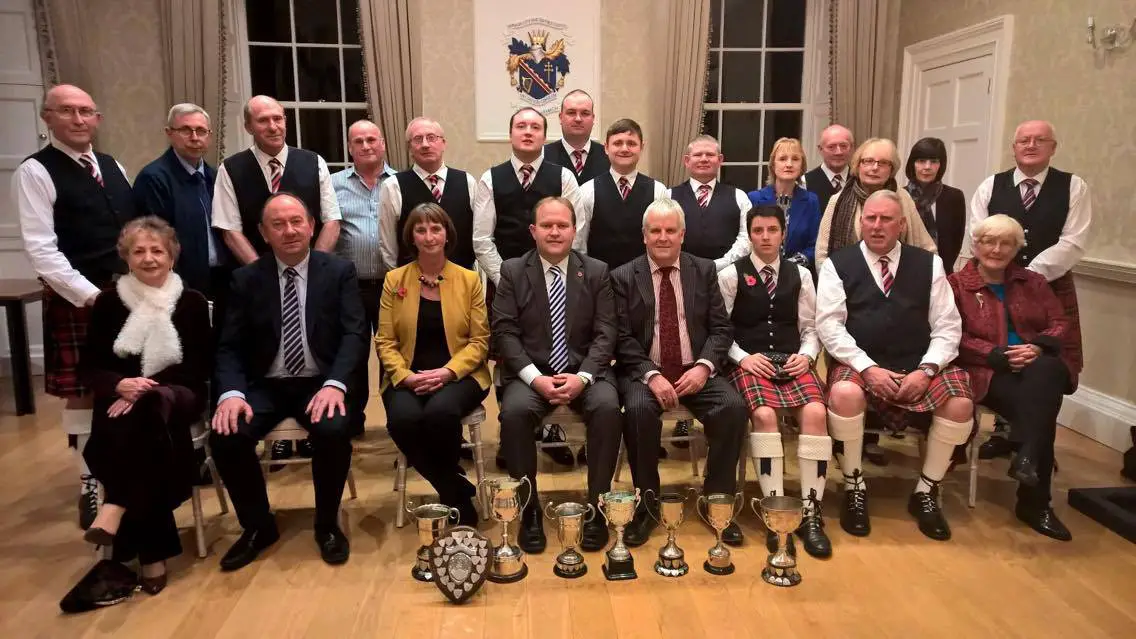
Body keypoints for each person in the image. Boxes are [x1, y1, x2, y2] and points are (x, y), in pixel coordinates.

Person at [209, 193, 366, 570]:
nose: (290, 230)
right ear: (263, 233)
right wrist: (230, 393)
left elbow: (355, 335)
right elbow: (227, 346)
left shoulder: (338, 272)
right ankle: (258, 526)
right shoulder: (245, 280)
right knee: (227, 436)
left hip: (320, 381)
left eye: (297, 221)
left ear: (312, 226)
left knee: (333, 428)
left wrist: (335, 385)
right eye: (278, 224)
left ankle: (327, 524)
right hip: (265, 384)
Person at [816, 190, 974, 541]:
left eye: (886, 219)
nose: (876, 226)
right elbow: (829, 326)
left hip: (918, 362)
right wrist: (867, 368)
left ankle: (926, 490)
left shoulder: (929, 263)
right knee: (842, 393)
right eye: (870, 218)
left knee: (961, 403)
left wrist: (928, 369)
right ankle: (854, 485)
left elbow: (948, 325)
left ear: (901, 225)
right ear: (860, 222)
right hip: (861, 362)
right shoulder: (837, 264)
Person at [13, 84, 136, 529]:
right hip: (81, 298)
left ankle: (130, 473)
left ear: (97, 119)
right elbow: (42, 250)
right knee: (85, 390)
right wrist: (91, 296)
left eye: (87, 111)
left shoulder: (112, 166)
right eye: (67, 111)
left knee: (128, 386)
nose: (79, 120)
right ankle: (90, 482)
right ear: (47, 118)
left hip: (128, 293)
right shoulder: (35, 172)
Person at [78, 217, 211, 598]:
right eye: (139, 251)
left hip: (176, 394)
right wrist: (120, 384)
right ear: (126, 257)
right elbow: (89, 366)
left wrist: (148, 388)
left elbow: (198, 367)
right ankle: (154, 554)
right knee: (139, 434)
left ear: (172, 256)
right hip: (122, 403)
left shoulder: (191, 302)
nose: (149, 258)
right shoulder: (108, 302)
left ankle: (115, 507)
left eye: (158, 250)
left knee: (142, 417)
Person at [612, 198, 748, 548]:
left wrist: (704, 367)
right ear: (644, 236)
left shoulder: (702, 271)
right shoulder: (624, 276)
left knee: (732, 408)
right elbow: (621, 338)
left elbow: (721, 329)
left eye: (670, 230)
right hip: (646, 371)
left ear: (682, 235)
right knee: (640, 411)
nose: (662, 237)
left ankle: (716, 501)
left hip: (695, 370)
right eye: (655, 230)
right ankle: (647, 504)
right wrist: (650, 375)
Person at [494, 196, 622, 554]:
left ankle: (598, 508)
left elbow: (605, 333)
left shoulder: (596, 271)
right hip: (532, 375)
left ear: (574, 230)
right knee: (515, 413)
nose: (555, 231)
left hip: (585, 373)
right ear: (533, 231)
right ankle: (529, 509)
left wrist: (582, 377)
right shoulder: (513, 271)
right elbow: (504, 332)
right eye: (547, 225)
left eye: (562, 225)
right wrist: (535, 378)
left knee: (608, 409)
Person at [964, 120, 1089, 461]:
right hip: (993, 281)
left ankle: (1025, 442)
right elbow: (978, 232)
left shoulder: (1073, 187)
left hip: (1049, 284)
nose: (1031, 145)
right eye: (1024, 140)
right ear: (1014, 147)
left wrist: (1025, 276)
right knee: (1012, 359)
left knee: (1048, 363)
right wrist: (1002, 269)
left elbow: (1073, 241)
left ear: (1053, 147)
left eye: (1039, 140)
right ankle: (1023, 444)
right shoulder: (992, 185)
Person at [949, 215, 1074, 540]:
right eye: (989, 241)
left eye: (1006, 243)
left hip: (1035, 370)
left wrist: (1035, 347)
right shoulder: (956, 285)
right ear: (976, 245)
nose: (997, 249)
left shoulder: (1033, 283)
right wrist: (995, 354)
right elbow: (952, 335)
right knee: (1044, 404)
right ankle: (1034, 501)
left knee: (1047, 371)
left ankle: (1028, 455)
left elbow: (1060, 323)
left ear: (1017, 248)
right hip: (988, 372)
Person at [719, 205, 831, 558]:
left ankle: (811, 512)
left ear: (783, 234)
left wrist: (808, 356)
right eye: (758, 231)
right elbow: (720, 330)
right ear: (749, 235)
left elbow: (811, 327)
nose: (765, 237)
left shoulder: (801, 274)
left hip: (793, 361)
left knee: (816, 413)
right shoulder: (730, 275)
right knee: (765, 416)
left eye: (772, 230)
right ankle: (775, 510)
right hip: (750, 364)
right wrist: (743, 358)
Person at [474, 106, 581, 466]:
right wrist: (509, 279)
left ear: (544, 135)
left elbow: (574, 235)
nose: (528, 132)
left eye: (536, 126)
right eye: (521, 125)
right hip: (504, 280)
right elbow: (481, 239)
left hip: (557, 280)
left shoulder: (563, 176)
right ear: (511, 134)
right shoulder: (491, 178)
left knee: (554, 349)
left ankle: (553, 431)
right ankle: (513, 435)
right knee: (511, 355)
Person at [377, 203, 490, 526]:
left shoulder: (468, 280)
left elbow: (480, 341)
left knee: (441, 413)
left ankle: (453, 496)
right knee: (403, 419)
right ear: (411, 237)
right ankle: (454, 488)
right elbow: (385, 341)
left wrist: (447, 372)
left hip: (460, 375)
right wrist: (405, 377)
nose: (429, 236)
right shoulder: (394, 280)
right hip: (407, 375)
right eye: (421, 229)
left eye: (436, 228)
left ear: (447, 234)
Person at [212, 95, 342, 262]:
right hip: (256, 278)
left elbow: (332, 222)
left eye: (277, 119)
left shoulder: (314, 162)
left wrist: (315, 271)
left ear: (285, 121)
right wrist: (262, 275)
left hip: (311, 273)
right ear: (248, 127)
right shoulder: (230, 169)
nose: (273, 127)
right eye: (263, 121)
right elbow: (230, 231)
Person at [332, 119, 396, 439]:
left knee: (393, 354)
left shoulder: (400, 183)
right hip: (351, 287)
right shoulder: (332, 184)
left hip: (392, 285)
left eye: (372, 139)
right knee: (353, 353)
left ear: (383, 143)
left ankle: (397, 420)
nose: (366, 145)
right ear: (349, 147)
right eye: (359, 141)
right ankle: (352, 420)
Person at [134, 104, 231, 303]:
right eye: (186, 130)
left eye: (201, 131)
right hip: (180, 286)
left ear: (209, 136)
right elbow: (155, 240)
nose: (195, 137)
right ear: (169, 133)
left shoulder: (215, 176)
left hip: (220, 280)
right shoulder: (154, 178)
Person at [815, 137, 936, 268]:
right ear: (857, 165)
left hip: (900, 279)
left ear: (892, 169)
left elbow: (927, 248)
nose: (874, 168)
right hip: (849, 281)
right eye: (868, 161)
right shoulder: (838, 200)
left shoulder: (903, 198)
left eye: (883, 163)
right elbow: (822, 255)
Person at [380, 117, 477, 270]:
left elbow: (475, 238)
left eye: (431, 138)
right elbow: (388, 247)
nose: (425, 144)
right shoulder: (392, 186)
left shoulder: (467, 181)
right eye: (418, 139)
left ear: (443, 143)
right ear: (409, 148)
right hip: (413, 284)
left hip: (461, 282)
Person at [574, 118, 667, 269]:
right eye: (617, 143)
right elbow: (579, 244)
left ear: (641, 147)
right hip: (600, 280)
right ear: (606, 148)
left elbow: (662, 241)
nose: (624, 149)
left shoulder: (659, 190)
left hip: (645, 279)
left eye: (631, 143)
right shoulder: (587, 190)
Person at [667, 134, 751, 271]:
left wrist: (721, 264)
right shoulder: (669, 196)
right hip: (681, 273)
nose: (704, 159)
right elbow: (664, 236)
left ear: (720, 160)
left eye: (710, 155)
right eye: (698, 155)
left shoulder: (739, 197)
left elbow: (746, 237)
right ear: (687, 161)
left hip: (727, 275)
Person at [747, 137, 822, 269]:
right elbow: (748, 241)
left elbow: (815, 244)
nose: (789, 164)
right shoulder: (754, 198)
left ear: (802, 165)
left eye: (795, 159)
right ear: (773, 165)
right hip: (759, 272)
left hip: (798, 273)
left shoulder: (811, 200)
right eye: (782, 159)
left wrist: (791, 266)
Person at [904, 137, 966, 273]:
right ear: (912, 164)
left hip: (942, 272)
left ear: (941, 165)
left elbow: (956, 241)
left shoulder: (954, 197)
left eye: (934, 162)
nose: (927, 167)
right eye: (921, 161)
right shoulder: (900, 196)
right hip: (903, 271)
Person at [543, 89, 610, 184]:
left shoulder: (609, 156)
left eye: (585, 113)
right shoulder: (541, 155)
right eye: (571, 112)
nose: (578, 119)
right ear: (561, 117)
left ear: (593, 118)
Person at [804, 124, 854, 213]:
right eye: (831, 147)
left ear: (851, 148)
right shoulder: (805, 183)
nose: (838, 152)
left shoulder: (859, 181)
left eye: (843, 146)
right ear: (820, 149)